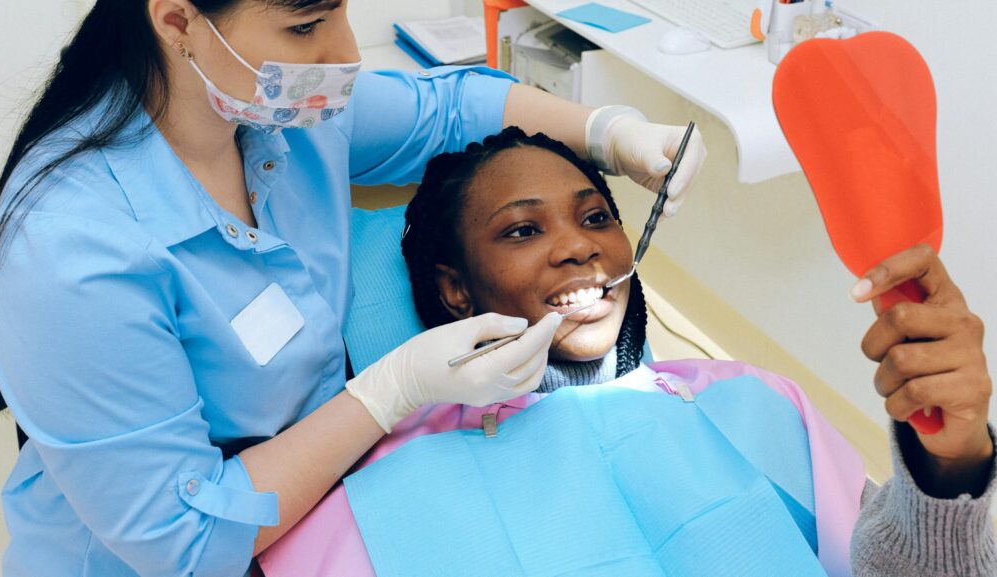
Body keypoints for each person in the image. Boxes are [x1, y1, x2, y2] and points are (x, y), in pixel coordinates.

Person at [0, 1, 707, 575]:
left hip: (324, 519)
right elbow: (185, 543)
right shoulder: (68, 252)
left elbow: (449, 110)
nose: (346, 54)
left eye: (342, 8)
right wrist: (391, 391)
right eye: (305, 24)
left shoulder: (284, 114)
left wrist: (608, 130)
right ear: (177, 22)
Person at [259, 127, 996, 577]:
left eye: (596, 217)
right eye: (522, 230)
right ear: (454, 290)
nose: (578, 243)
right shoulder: (385, 487)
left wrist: (949, 460)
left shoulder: (752, 401)